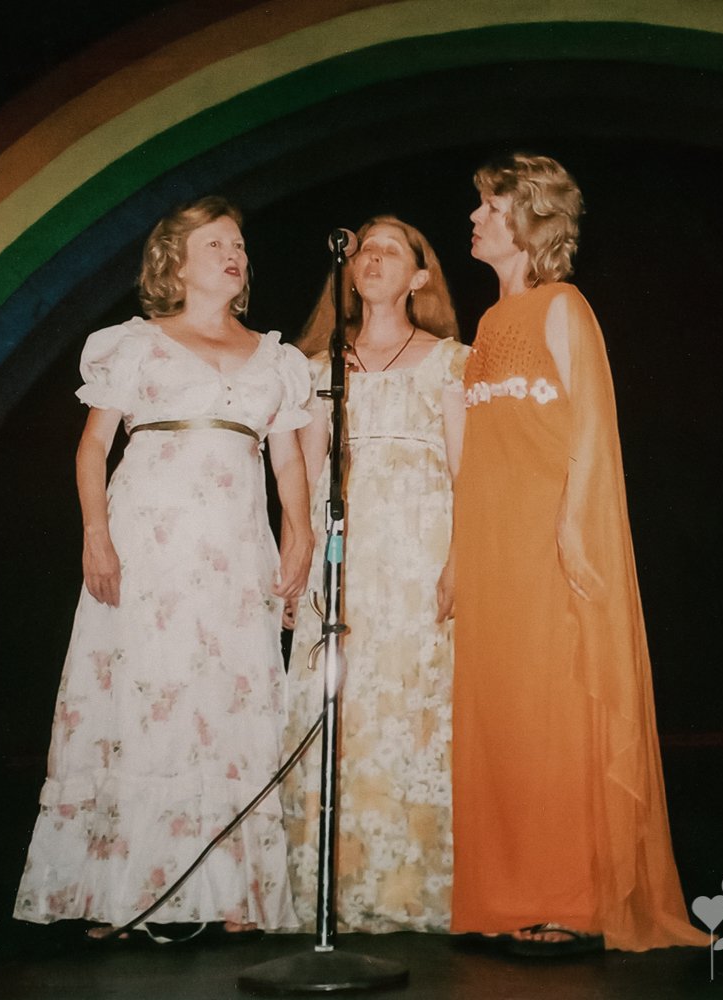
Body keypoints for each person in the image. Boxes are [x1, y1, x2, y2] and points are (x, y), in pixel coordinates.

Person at [13, 196, 314, 943]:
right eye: (215, 243)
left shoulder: (278, 359)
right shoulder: (133, 345)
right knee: (148, 695)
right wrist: (96, 536)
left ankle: (236, 890)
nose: (233, 252)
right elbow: (92, 449)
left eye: (238, 243)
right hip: (149, 545)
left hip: (236, 551)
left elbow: (288, 460)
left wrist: (300, 536)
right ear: (175, 261)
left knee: (230, 698)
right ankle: (123, 890)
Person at [450, 154, 706, 954]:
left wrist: (573, 531)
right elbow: (475, 457)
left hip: (548, 538)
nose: (475, 219)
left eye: (489, 207)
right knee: (499, 717)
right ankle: (502, 895)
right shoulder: (487, 326)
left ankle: (568, 896)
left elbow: (593, 433)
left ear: (527, 219)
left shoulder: (564, 306)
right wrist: (457, 557)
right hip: (488, 544)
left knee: (551, 711)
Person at [281, 216, 468, 932]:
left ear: (420, 276)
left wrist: (460, 559)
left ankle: (416, 888)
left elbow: (467, 470)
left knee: (416, 708)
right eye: (365, 249)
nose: (373, 257)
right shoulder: (320, 363)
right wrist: (296, 554)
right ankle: (337, 887)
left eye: (393, 249)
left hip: (420, 551)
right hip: (348, 556)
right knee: (345, 703)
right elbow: (306, 466)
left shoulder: (451, 360)